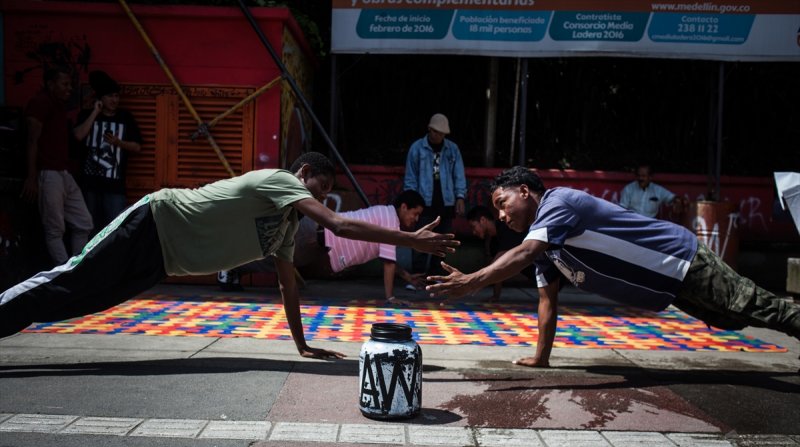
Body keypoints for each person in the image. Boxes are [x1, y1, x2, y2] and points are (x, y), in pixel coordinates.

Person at [0, 152, 459, 360]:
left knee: (81, 301)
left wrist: (301, 345)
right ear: (304, 175)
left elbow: (287, 284)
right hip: (153, 222)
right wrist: (411, 240)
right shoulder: (281, 180)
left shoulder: (284, 227)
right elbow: (338, 225)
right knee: (70, 278)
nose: (319, 199)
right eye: (320, 188)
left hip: (159, 263)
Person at [427, 166, 800, 368]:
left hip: (681, 260)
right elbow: (547, 301)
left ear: (524, 191)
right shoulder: (546, 244)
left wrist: (472, 281)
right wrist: (541, 358)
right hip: (668, 286)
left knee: (755, 306)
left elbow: (524, 253)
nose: (501, 214)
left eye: (502, 202)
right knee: (733, 319)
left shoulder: (559, 204)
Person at [221, 190, 429, 304]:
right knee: (274, 253)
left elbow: (384, 255)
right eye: (415, 213)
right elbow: (388, 263)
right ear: (404, 207)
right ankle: (230, 263)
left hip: (318, 240)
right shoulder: (390, 220)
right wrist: (390, 297)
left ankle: (232, 266)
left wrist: (407, 277)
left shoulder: (387, 217)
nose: (416, 219)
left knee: (276, 259)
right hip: (315, 233)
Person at [23, 65, 93, 266]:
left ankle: (75, 268)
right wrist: (31, 177)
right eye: (64, 84)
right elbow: (31, 141)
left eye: (70, 84)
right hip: (48, 173)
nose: (69, 88)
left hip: (63, 172)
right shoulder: (39, 103)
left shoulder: (58, 105)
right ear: (50, 84)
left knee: (84, 222)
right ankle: (64, 273)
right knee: (54, 229)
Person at [73, 70, 142, 230]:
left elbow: (137, 146)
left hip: (114, 186)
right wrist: (95, 112)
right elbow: (78, 136)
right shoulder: (87, 115)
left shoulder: (125, 117)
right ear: (100, 98)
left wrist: (118, 143)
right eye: (110, 96)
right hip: (89, 184)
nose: (114, 100)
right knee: (89, 227)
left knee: (115, 228)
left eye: (117, 96)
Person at [403, 113, 467, 273]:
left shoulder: (452, 149)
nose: (440, 136)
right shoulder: (417, 148)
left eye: (442, 133)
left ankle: (435, 274)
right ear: (429, 130)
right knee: (420, 239)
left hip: (446, 203)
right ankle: (417, 275)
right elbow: (410, 177)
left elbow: (459, 174)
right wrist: (412, 202)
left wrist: (460, 196)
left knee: (443, 241)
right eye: (437, 132)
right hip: (423, 203)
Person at [466, 205, 529, 302]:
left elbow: (496, 265)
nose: (474, 232)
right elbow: (498, 269)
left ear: (483, 220)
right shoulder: (493, 242)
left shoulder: (506, 226)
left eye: (473, 226)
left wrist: (472, 282)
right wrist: (496, 296)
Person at [619, 164, 683, 218]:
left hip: (650, 225)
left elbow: (673, 198)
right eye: (638, 176)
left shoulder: (658, 190)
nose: (640, 178)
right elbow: (622, 209)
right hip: (633, 223)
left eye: (643, 176)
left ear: (650, 177)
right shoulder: (629, 189)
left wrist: (678, 201)